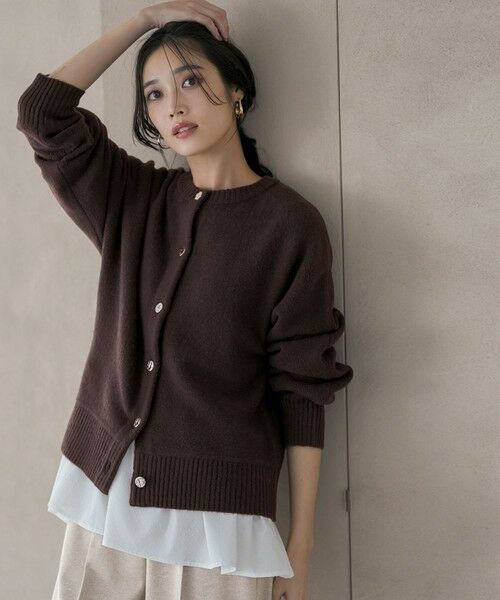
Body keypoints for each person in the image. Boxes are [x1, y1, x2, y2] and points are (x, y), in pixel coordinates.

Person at [16, 2, 354, 599]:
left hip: (217, 528)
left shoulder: (289, 225)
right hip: (103, 502)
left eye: (191, 81)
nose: (173, 105)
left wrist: (300, 544)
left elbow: (303, 389)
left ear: (237, 92)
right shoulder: (131, 198)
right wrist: (143, 20)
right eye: (154, 94)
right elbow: (42, 113)